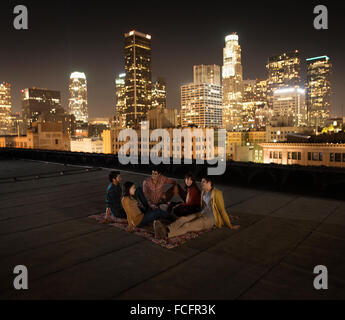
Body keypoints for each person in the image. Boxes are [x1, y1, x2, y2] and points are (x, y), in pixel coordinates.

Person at [154, 175, 240, 239]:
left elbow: (222, 210)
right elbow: (202, 206)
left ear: (209, 183)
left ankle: (166, 235)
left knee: (188, 225)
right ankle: (166, 229)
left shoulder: (217, 194)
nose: (201, 183)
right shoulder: (203, 192)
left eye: (204, 182)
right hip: (200, 214)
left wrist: (230, 225)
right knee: (183, 219)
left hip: (210, 219)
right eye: (201, 181)